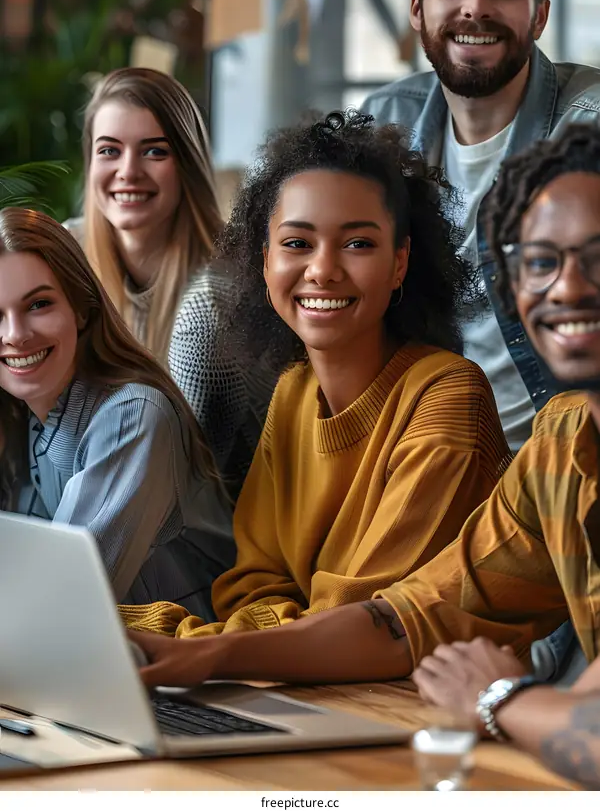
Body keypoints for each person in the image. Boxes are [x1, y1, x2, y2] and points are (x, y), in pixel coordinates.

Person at [131, 123, 600, 789]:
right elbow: (407, 619)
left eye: (597, 257)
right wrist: (206, 654)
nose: (568, 288)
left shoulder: (446, 397)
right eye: (541, 261)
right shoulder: (559, 443)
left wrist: (503, 697)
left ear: (401, 261)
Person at [120, 110, 510, 639]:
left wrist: (182, 642)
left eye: (357, 244)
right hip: (298, 685)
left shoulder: (447, 398)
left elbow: (366, 620)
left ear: (400, 264)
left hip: (417, 705)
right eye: (297, 243)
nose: (322, 269)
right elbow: (250, 586)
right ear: (264, 262)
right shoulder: (293, 391)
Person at [362, 0, 600, 452]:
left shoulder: (585, 123)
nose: (476, 7)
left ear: (539, 17)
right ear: (419, 9)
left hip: (554, 458)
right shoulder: (384, 122)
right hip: (419, 450)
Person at [0, 208, 234, 618]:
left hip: (191, 667)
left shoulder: (134, 418)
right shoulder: (19, 423)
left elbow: (60, 601)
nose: (15, 335)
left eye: (38, 304)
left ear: (81, 308)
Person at [68, 67, 275, 498]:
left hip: (213, 529)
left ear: (187, 165)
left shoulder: (219, 296)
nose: (128, 171)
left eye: (154, 152)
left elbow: (184, 481)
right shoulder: (66, 254)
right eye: (109, 151)